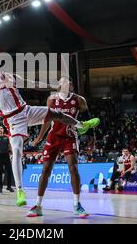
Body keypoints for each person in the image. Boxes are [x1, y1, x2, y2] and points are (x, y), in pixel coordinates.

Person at [0, 26, 99, 206]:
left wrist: (53, 87)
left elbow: (33, 84)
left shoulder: (9, 76)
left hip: (26, 110)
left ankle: (81, 125)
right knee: (16, 150)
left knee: (57, 113)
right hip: (12, 119)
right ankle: (20, 192)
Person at [27, 76, 99, 218]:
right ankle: (38, 205)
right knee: (46, 170)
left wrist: (91, 135)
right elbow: (47, 119)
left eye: (68, 82)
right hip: (53, 137)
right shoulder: (51, 99)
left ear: (71, 86)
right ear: (58, 85)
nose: (65, 84)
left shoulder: (79, 100)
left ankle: (77, 205)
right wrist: (39, 138)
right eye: (62, 82)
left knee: (73, 167)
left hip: (69, 136)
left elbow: (89, 119)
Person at [0, 126, 14, 193]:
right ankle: (0, 188)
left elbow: (10, 146)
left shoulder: (7, 137)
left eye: (1, 128)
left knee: (9, 171)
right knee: (0, 173)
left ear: (3, 130)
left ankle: (9, 187)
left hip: (6, 155)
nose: (0, 130)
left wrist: (13, 153)